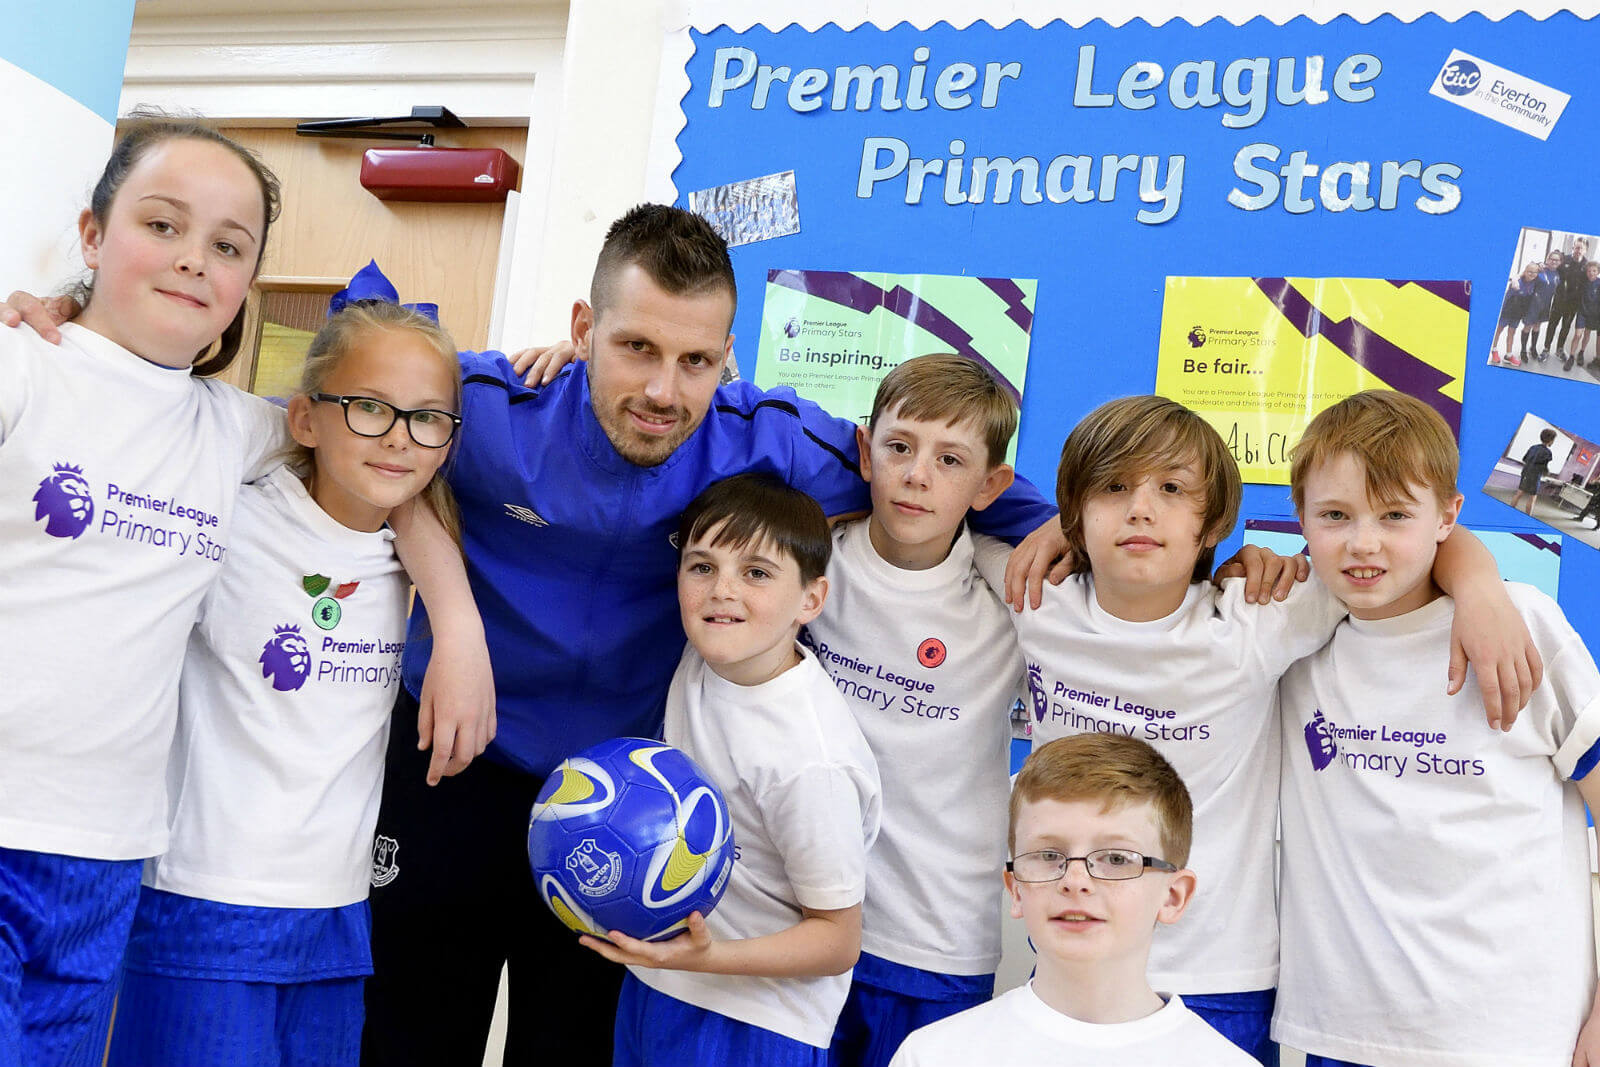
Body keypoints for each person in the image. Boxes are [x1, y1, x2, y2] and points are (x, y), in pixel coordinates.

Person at [973, 395, 1536, 1064]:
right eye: (1114, 488)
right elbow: (935, 497)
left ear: (1213, 522)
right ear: (1077, 512)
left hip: (1219, 982)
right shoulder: (1036, 597)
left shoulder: (1259, 619)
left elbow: (1402, 537)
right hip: (1071, 975)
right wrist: (1049, 526)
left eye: (1172, 489)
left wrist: (1479, 588)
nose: (1140, 509)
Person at [0, 118, 291, 1067]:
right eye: (161, 225)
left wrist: (450, 618)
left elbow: (387, 433)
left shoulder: (235, 430)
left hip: (108, 852)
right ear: (91, 234)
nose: (192, 261)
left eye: (227, 246)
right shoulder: (22, 368)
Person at [103, 300, 463, 1067]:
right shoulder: (234, 513)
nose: (400, 434)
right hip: (202, 898)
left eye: (428, 417)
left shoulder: (412, 550)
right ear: (305, 419)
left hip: (335, 918)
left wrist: (459, 623)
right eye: (369, 407)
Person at [1275, 389, 1600, 1066]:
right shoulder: (1290, 639)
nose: (1363, 542)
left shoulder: (1521, 625)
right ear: (1299, 518)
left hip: (1510, 1035)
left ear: (1449, 515)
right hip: (1339, 1032)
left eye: (1395, 515)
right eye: (1334, 515)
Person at [583, 473, 881, 1067]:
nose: (722, 591)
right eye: (701, 567)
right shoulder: (705, 654)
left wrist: (705, 958)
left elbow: (838, 940)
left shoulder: (809, 760)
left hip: (754, 1022)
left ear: (812, 600)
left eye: (757, 573)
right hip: (658, 986)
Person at [800, 354, 1024, 1067]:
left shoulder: (1014, 593)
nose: (917, 475)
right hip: (797, 925)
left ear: (990, 485)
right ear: (866, 452)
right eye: (900, 447)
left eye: (950, 459)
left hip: (936, 942)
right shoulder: (806, 563)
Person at [889, 733, 1254, 1067]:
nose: (1075, 881)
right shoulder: (932, 1055)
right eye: (1049, 856)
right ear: (1016, 888)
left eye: (1115, 859)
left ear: (1173, 896)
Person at [1546, 238, 1589, 359]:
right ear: (1573, 248)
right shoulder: (1564, 260)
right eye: (1576, 247)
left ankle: (1559, 349)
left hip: (1573, 304)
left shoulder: (1587, 265)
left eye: (1581, 248)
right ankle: (1546, 348)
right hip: (1559, 300)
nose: (1578, 250)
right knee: (1552, 325)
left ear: (1585, 250)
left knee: (1565, 327)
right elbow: (1551, 267)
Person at [1491, 262, 1538, 367]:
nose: (1532, 274)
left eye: (1535, 272)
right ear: (1524, 271)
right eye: (1530, 271)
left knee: (1511, 333)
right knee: (1498, 331)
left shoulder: (1534, 283)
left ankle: (1508, 355)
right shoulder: (1516, 283)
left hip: (1517, 314)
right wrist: (1515, 279)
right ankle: (1494, 349)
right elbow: (1507, 298)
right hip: (1507, 311)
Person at [1509, 426, 1557, 515]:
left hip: (1525, 472)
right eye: (1553, 439)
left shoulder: (1533, 447)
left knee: (1519, 493)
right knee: (1532, 497)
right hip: (1534, 476)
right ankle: (1528, 517)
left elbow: (1524, 459)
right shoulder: (1548, 452)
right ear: (1550, 440)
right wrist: (1547, 472)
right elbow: (1544, 467)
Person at [1526, 250, 1562, 363]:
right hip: (1533, 304)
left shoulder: (1558, 274)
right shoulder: (1539, 269)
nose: (1554, 261)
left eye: (1557, 260)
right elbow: (1527, 273)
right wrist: (1538, 263)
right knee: (1528, 326)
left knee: (1537, 326)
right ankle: (1523, 350)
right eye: (1552, 259)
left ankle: (1533, 348)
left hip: (1545, 305)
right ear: (1547, 259)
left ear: (1560, 262)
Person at [1566, 259, 1600, 373]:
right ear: (1586, 272)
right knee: (1577, 335)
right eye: (1589, 271)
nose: (1591, 273)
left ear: (1598, 272)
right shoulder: (1583, 282)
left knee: (1587, 334)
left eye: (1594, 271)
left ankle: (1581, 352)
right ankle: (1571, 356)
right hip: (1582, 312)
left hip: (1594, 314)